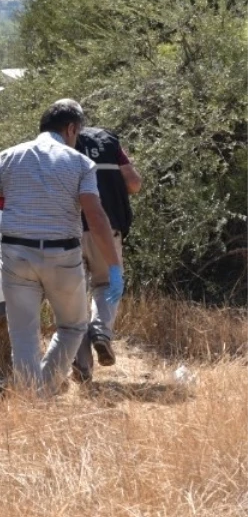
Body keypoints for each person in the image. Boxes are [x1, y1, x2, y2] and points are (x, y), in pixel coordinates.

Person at [0, 99, 124, 396]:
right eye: (77, 134)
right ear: (71, 128)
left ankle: (31, 397)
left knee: (23, 337)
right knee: (74, 327)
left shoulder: (8, 157)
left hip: (15, 256)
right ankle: (44, 391)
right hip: (62, 256)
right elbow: (96, 216)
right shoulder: (80, 163)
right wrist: (113, 266)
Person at [72, 126, 143, 381]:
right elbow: (134, 183)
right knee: (105, 283)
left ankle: (81, 364)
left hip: (67, 232)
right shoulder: (110, 142)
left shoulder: (58, 145)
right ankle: (101, 332)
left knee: (74, 296)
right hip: (107, 228)